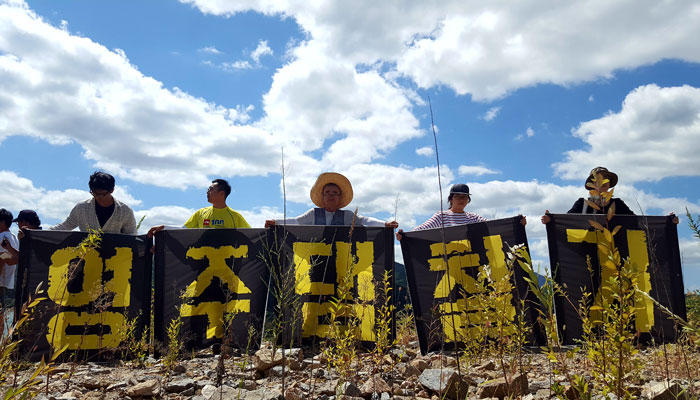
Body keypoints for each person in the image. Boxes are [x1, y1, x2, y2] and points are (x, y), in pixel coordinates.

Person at [541, 166, 678, 224]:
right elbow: (566, 223)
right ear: (592, 184)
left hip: (616, 257)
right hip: (588, 259)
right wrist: (550, 220)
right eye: (599, 179)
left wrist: (668, 222)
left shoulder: (617, 204)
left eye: (606, 179)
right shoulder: (582, 204)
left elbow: (638, 223)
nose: (604, 182)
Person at [264, 172, 399, 228]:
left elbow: (365, 220)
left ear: (339, 197)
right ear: (322, 196)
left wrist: (385, 224)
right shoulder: (313, 214)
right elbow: (296, 221)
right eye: (327, 192)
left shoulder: (347, 216)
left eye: (335, 193)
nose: (331, 195)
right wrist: (275, 222)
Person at [396, 184, 525, 240]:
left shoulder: (473, 217)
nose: (461, 200)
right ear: (451, 199)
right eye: (458, 197)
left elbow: (494, 225)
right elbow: (422, 229)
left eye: (465, 197)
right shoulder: (441, 216)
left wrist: (517, 224)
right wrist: (405, 235)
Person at [148, 179, 250, 236]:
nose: (207, 192)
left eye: (210, 189)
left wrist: (266, 229)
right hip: (203, 265)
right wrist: (164, 228)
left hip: (228, 268)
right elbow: (182, 231)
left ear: (222, 193)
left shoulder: (235, 216)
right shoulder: (201, 213)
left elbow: (253, 236)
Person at [50, 171, 136, 234]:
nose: (98, 197)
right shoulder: (81, 208)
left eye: (102, 194)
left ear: (112, 190)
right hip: (86, 255)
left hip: (115, 256)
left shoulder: (125, 210)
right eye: (94, 193)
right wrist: (40, 233)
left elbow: (131, 235)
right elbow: (66, 226)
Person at [0, 209, 20, 333]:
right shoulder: (13, 237)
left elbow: (4, 257)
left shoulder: (2, 237)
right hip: (6, 281)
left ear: (2, 222)